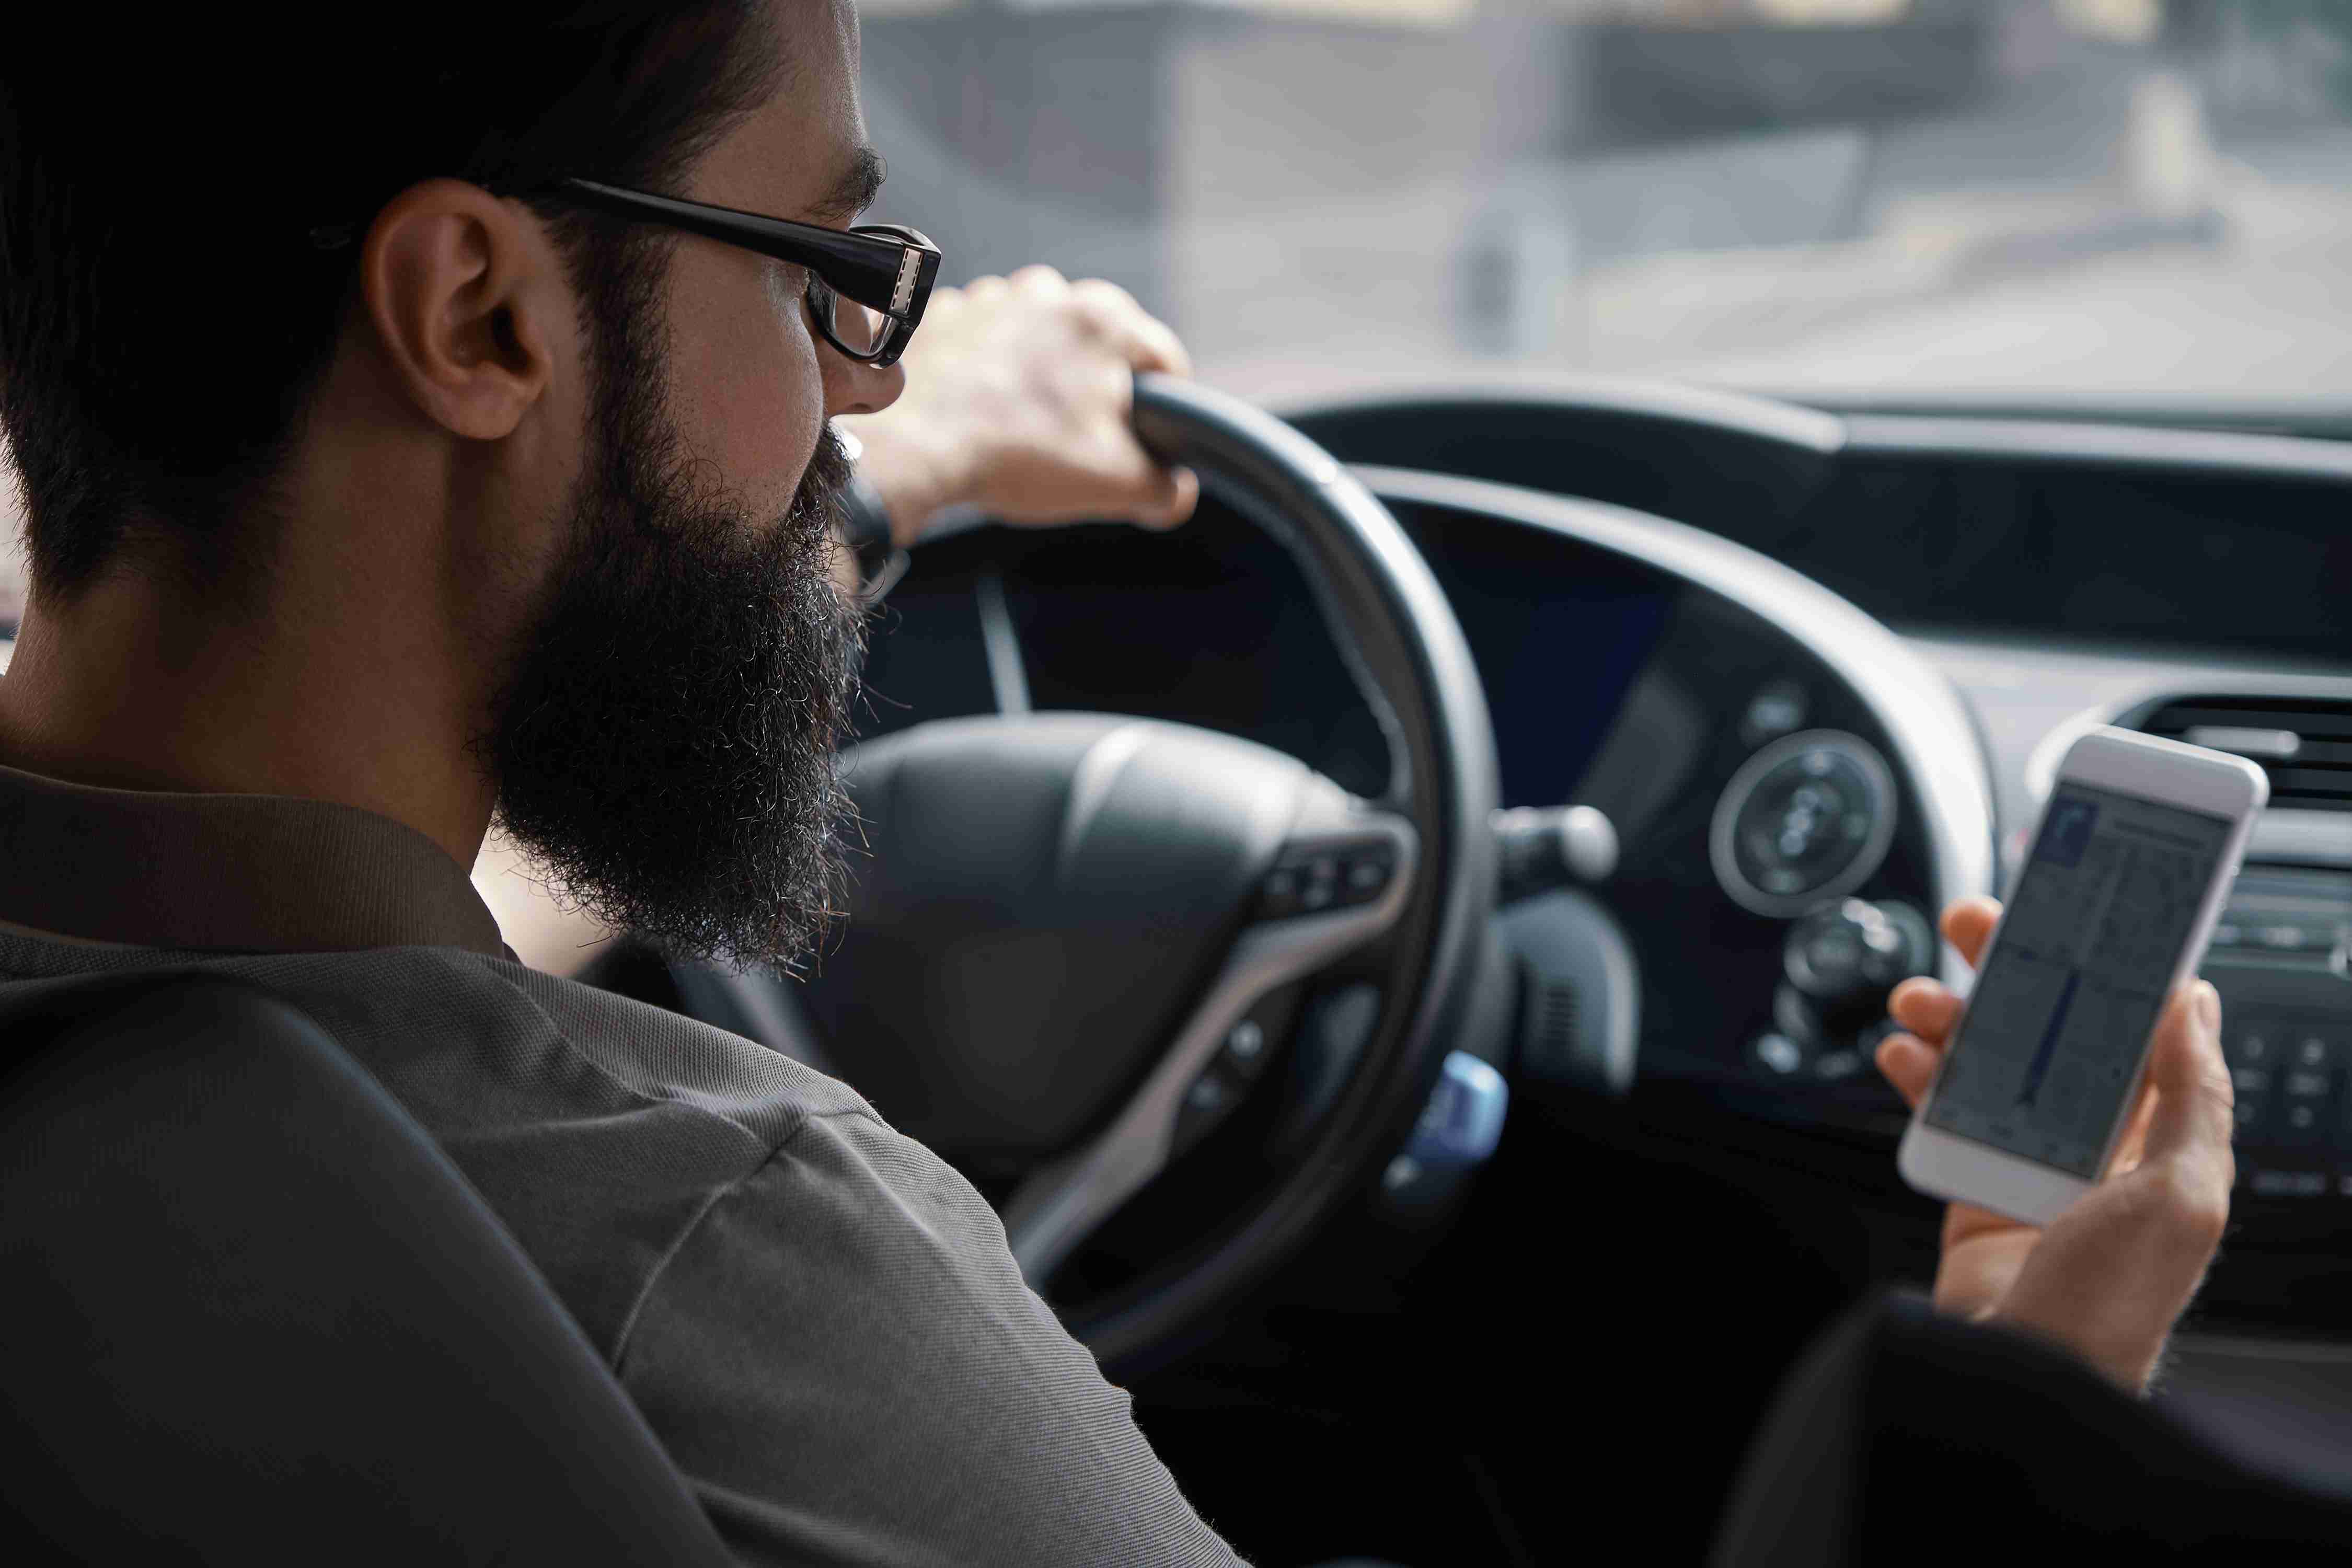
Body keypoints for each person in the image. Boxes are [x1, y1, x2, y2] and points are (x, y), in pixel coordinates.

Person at [0, 2, 2239, 1562]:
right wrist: (2022, 1401)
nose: (855, 407)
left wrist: (932, 470)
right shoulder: (722, 1233)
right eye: (823, 284)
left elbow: (382, 959)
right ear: (479, 316)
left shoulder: (184, 1072)